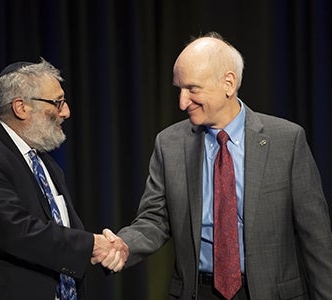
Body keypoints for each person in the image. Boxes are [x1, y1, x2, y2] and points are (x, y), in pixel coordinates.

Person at [104, 32, 332, 299]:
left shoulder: (287, 140)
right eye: (179, 89)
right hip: (198, 292)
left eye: (192, 89)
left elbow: (316, 238)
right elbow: (155, 219)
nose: (182, 102)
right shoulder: (170, 144)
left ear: (228, 83)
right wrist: (125, 244)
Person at [0, 59, 128, 300]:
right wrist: (92, 245)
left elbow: (61, 229)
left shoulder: (44, 163)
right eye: (57, 102)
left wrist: (102, 247)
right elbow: (15, 230)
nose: (66, 111)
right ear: (21, 107)